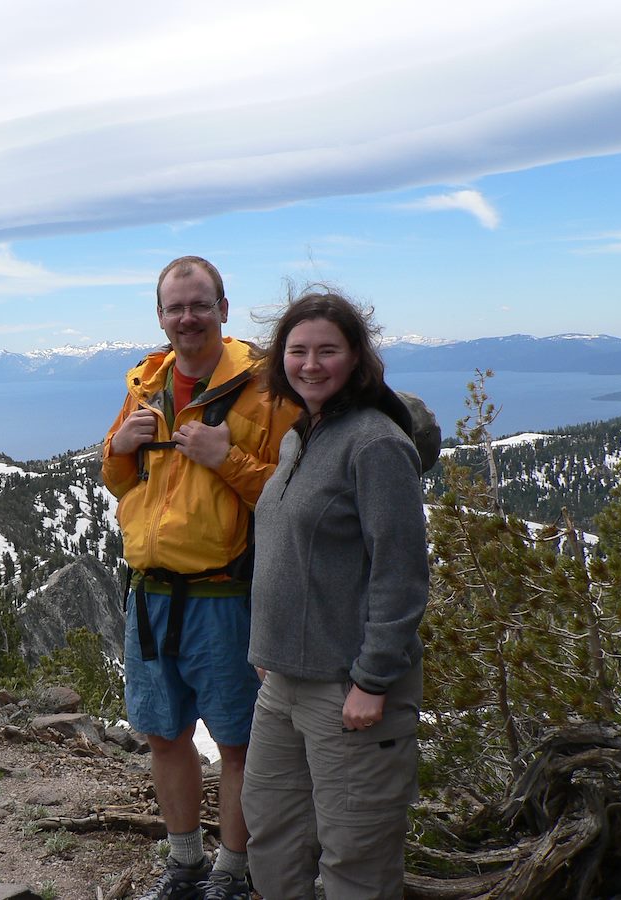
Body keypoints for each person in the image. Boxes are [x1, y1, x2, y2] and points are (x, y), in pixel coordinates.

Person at [102, 256, 299, 899]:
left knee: (238, 743)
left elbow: (296, 492)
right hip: (152, 593)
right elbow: (120, 481)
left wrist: (230, 459)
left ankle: (233, 871)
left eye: (198, 304)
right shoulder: (145, 384)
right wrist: (118, 450)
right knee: (164, 735)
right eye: (174, 307)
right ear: (160, 316)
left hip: (226, 593)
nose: (186, 318)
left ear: (222, 306)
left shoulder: (266, 389)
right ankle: (184, 861)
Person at [242, 289, 429, 899]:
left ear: (356, 358)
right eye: (298, 351)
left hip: (348, 691)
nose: (311, 364)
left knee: (356, 857)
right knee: (271, 836)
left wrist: (373, 681)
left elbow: (400, 573)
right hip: (284, 684)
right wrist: (269, 648)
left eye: (328, 350)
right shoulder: (303, 437)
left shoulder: (375, 444)